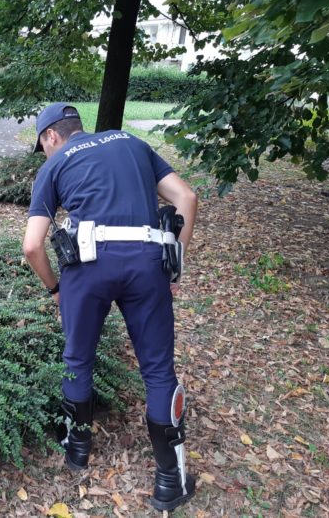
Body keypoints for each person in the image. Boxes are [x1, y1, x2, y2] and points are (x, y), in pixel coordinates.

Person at [22, 102, 198, 512]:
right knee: (157, 369)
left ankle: (77, 449)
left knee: (77, 358)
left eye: (43, 145)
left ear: (51, 136)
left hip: (87, 267)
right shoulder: (133, 143)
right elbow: (186, 197)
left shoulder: (54, 164)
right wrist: (174, 265)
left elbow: (32, 246)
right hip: (146, 261)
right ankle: (170, 481)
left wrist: (55, 290)